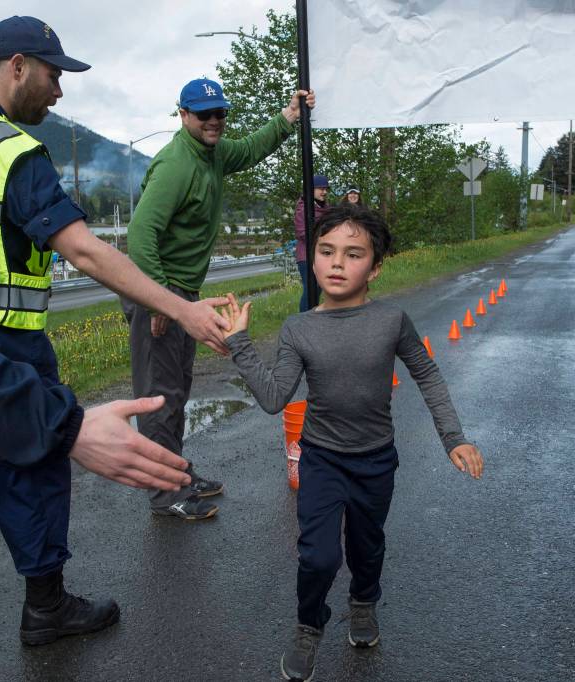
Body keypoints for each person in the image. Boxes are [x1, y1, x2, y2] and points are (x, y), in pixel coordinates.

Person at [0, 16, 231, 680]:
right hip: (3, 349)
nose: (59, 93)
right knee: (35, 469)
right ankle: (45, 608)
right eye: (55, 75)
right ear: (18, 65)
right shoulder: (9, 151)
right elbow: (83, 249)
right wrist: (180, 308)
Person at [219, 204, 484, 681]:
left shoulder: (391, 321)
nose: (337, 263)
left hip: (376, 460)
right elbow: (275, 398)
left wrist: (453, 438)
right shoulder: (298, 328)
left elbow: (426, 373)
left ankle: (363, 602)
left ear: (375, 267)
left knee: (367, 547)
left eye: (353, 254)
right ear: (313, 258)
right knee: (317, 555)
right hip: (321, 457)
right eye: (327, 251)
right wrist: (240, 342)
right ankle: (308, 625)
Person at [124, 77, 315, 520]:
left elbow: (250, 150)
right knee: (159, 395)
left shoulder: (212, 153)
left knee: (177, 388)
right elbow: (140, 235)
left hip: (181, 294)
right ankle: (164, 492)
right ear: (183, 114)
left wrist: (288, 117)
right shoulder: (176, 165)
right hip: (160, 291)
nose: (214, 122)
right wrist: (159, 302)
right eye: (204, 114)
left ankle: (177, 474)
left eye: (219, 113)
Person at [293, 173, 329, 312]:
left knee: (318, 288)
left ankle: (311, 316)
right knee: (310, 290)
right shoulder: (304, 209)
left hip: (318, 254)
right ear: (311, 189)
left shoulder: (324, 207)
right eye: (320, 188)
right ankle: (304, 318)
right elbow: (302, 233)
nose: (324, 192)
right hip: (306, 257)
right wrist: (325, 234)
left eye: (326, 189)